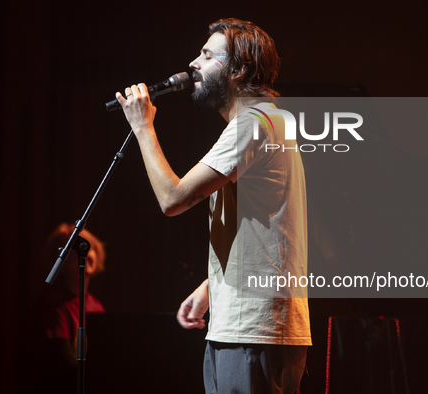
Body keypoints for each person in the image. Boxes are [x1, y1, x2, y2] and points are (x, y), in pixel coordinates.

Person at [116, 18, 311, 393]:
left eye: (207, 55)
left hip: (253, 329)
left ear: (237, 70)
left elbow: (172, 199)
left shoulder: (254, 122)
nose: (193, 63)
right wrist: (212, 286)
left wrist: (143, 128)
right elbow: (269, 229)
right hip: (253, 325)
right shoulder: (266, 123)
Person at [29, 223, 106, 394]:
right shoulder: (54, 305)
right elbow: (62, 365)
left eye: (88, 247)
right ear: (60, 260)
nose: (86, 254)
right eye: (75, 250)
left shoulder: (97, 306)